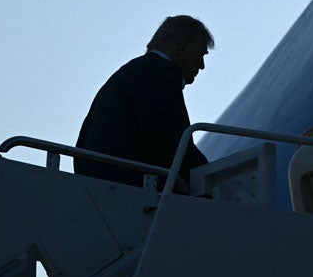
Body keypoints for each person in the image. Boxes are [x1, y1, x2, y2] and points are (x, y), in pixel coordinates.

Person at [75, 15, 213, 191]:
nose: (201, 66)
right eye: (200, 55)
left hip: (95, 186)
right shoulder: (163, 72)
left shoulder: (127, 74)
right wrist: (208, 177)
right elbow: (169, 140)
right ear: (181, 48)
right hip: (131, 189)